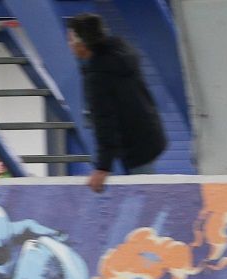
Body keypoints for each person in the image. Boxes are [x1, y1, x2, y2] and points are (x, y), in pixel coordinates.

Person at [68, 13, 167, 193]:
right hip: (150, 135)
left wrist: (102, 167)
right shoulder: (122, 51)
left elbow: (104, 121)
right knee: (147, 187)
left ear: (82, 43)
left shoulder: (98, 76)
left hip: (135, 146)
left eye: (71, 40)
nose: (69, 45)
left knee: (145, 196)